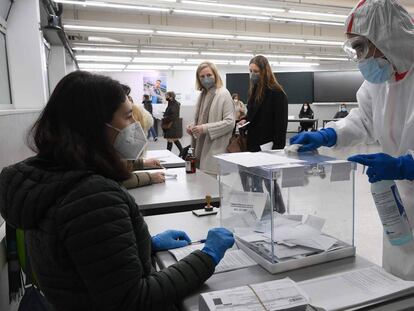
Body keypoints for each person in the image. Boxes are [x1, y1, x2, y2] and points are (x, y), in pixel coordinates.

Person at [0, 71, 235, 310]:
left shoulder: (52, 180)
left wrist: (144, 244)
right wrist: (207, 256)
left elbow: (88, 258)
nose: (135, 126)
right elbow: (134, 299)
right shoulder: (91, 198)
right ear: (93, 126)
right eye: (127, 117)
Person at [289, 0, 414, 280]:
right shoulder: (380, 82)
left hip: (407, 182)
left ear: (387, 37)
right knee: (398, 283)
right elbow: (363, 119)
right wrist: (328, 134)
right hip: (400, 204)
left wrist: (407, 165)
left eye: (360, 46)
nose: (359, 57)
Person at [186, 62, 235, 175]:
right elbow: (204, 119)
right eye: (202, 76)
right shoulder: (203, 94)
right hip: (200, 147)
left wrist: (204, 128)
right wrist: (193, 126)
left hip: (215, 149)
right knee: (201, 187)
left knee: (211, 188)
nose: (206, 79)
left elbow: (230, 122)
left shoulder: (223, 94)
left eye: (209, 75)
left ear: (215, 75)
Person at [238, 55, 288, 151]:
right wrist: (245, 119)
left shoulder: (277, 93)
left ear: (265, 72)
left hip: (267, 145)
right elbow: (252, 115)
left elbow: (281, 128)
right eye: (250, 71)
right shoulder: (254, 91)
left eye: (256, 71)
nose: (252, 74)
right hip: (252, 143)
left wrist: (277, 151)